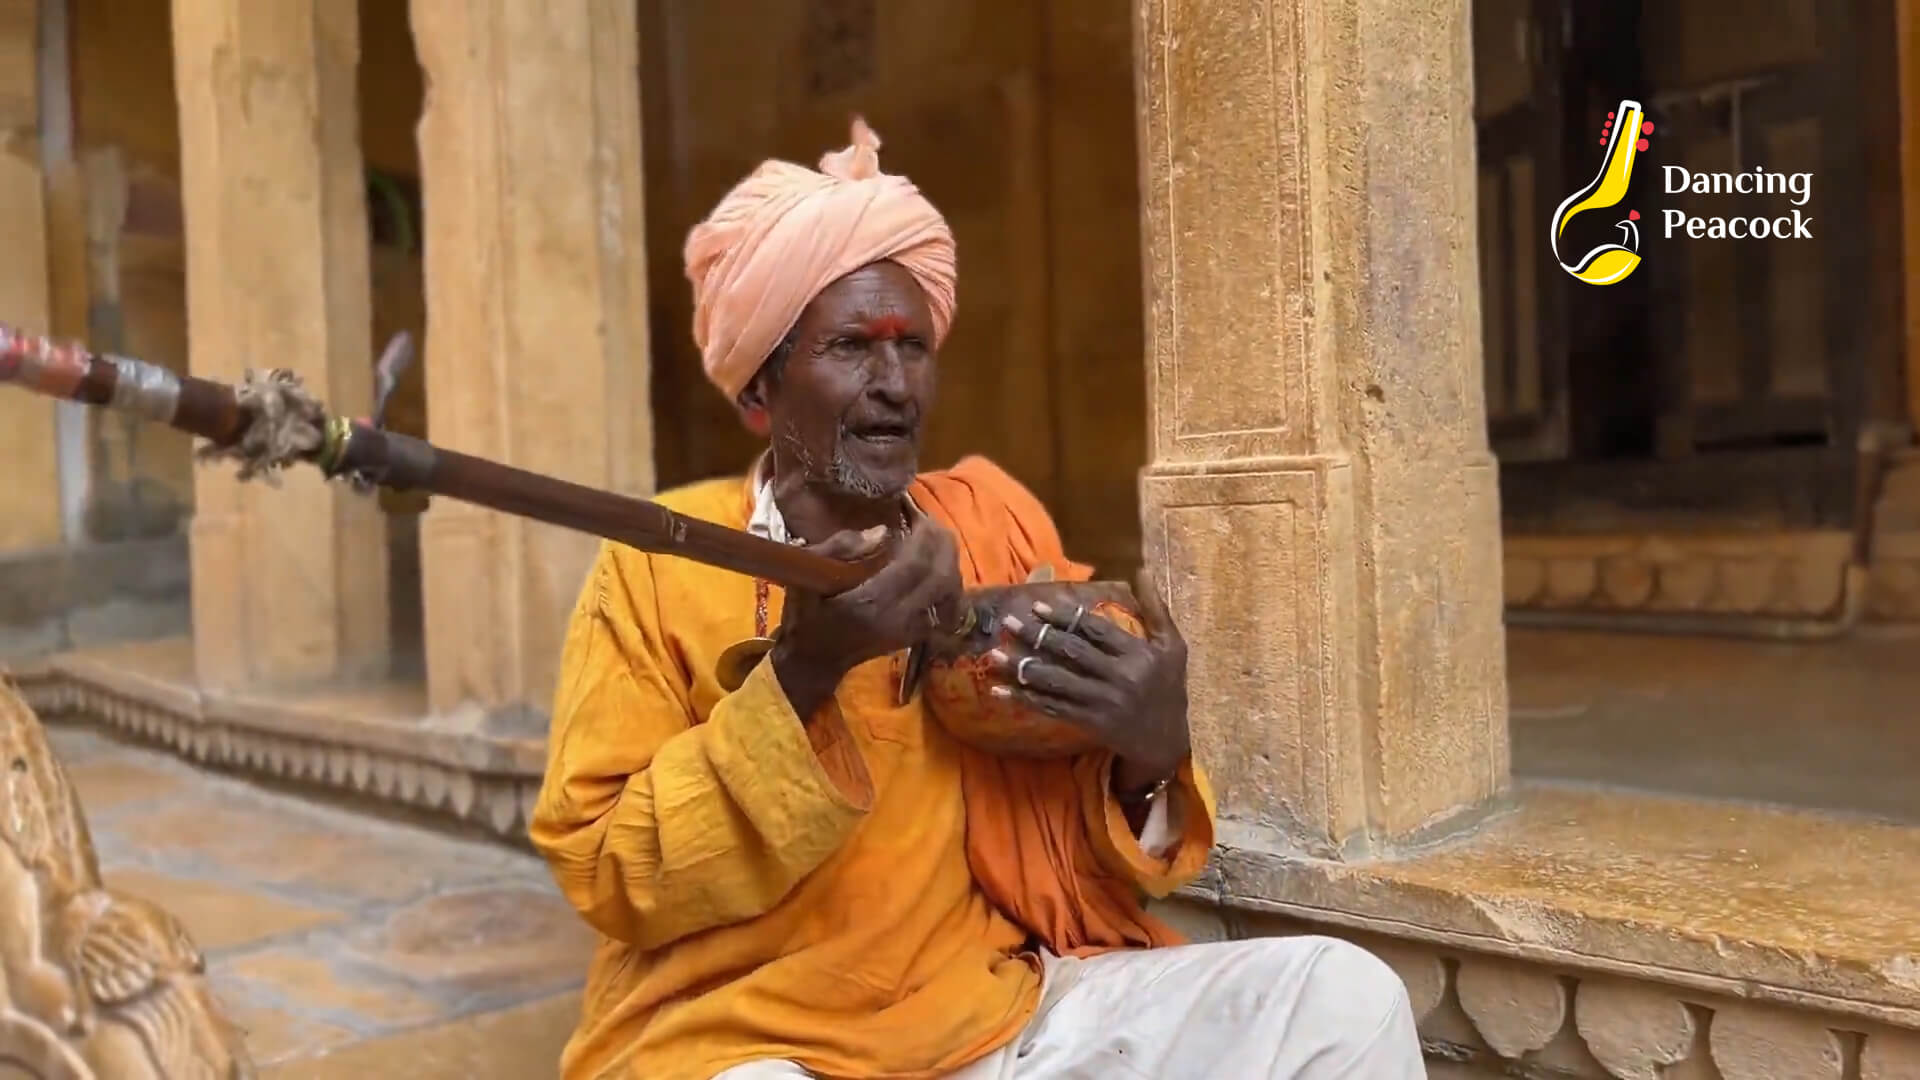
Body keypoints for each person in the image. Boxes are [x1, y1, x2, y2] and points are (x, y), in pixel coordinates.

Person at [529, 119, 1424, 1080]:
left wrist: (1147, 751)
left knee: (1343, 997)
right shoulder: (657, 565)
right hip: (758, 1041)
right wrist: (803, 674)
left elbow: (1071, 837)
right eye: (851, 347)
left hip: (1000, 1014)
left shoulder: (989, 519)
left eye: (912, 346)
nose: (893, 384)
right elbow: (607, 868)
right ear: (761, 390)